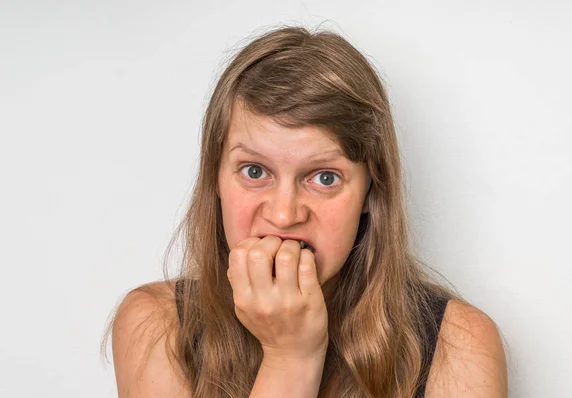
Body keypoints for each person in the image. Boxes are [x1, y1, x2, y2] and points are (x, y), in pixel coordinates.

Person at [105, 26, 508, 397]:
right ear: (215, 180)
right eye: (255, 171)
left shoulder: (459, 343)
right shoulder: (155, 324)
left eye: (325, 178)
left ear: (372, 191)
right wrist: (291, 357)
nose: (284, 216)